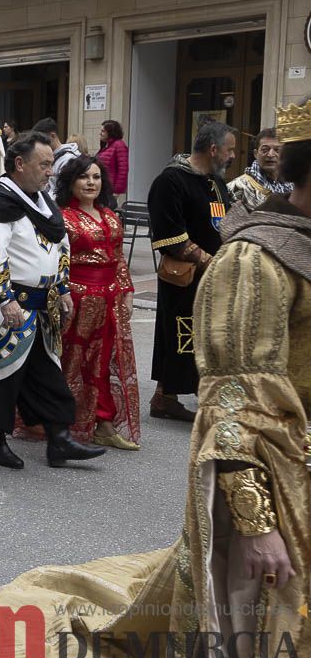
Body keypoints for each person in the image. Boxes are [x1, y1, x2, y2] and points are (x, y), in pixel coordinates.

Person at [0, 100, 311, 658]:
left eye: (94, 176)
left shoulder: (179, 200)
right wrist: (254, 516)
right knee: (54, 378)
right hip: (266, 464)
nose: (89, 181)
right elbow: (234, 397)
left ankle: (71, 427)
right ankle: (44, 430)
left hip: (103, 299)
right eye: (77, 172)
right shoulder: (248, 252)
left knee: (88, 375)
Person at [0, 132, 105, 470]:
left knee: (47, 375)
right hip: (6, 307)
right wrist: (5, 299)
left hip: (40, 307)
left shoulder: (41, 200)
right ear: (20, 164)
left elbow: (59, 246)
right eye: (44, 164)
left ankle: (59, 440)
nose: (51, 171)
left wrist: (62, 288)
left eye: (51, 164)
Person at [147, 121, 235, 421]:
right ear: (213, 149)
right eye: (229, 149)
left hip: (215, 279)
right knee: (180, 337)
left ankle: (175, 397)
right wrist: (210, 262)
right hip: (184, 280)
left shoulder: (216, 182)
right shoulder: (170, 181)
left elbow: (225, 222)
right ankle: (170, 397)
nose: (233, 155)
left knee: (211, 339)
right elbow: (170, 235)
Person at [52, 155, 140, 449]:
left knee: (102, 365)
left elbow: (118, 259)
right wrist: (63, 295)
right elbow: (55, 262)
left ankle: (103, 423)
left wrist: (126, 291)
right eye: (84, 177)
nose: (91, 182)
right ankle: (60, 424)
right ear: (71, 182)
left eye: (96, 177)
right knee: (71, 363)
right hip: (76, 300)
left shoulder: (111, 215)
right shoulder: (62, 217)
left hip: (109, 299)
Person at [227, 127, 287, 211]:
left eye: (277, 150)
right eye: (265, 150)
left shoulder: (294, 187)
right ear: (255, 153)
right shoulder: (236, 187)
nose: (270, 154)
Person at [97, 119, 130, 206]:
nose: (100, 133)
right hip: (103, 187)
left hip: (110, 189)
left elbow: (123, 169)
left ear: (110, 132)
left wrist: (117, 191)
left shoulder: (119, 145)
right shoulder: (106, 145)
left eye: (103, 131)